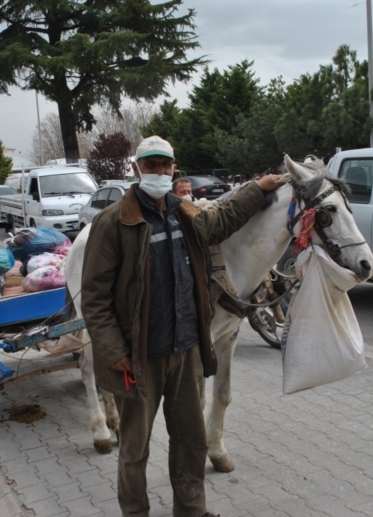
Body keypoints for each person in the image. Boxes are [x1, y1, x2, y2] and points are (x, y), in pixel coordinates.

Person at [82, 136, 284, 517]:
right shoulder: (112, 223)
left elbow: (223, 219)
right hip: (138, 359)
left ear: (174, 169)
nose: (159, 171)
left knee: (191, 442)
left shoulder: (185, 214)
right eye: (151, 164)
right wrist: (113, 352)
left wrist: (257, 189)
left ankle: (191, 511)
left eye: (165, 165)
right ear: (136, 169)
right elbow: (94, 299)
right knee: (134, 449)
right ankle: (135, 512)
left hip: (187, 351)